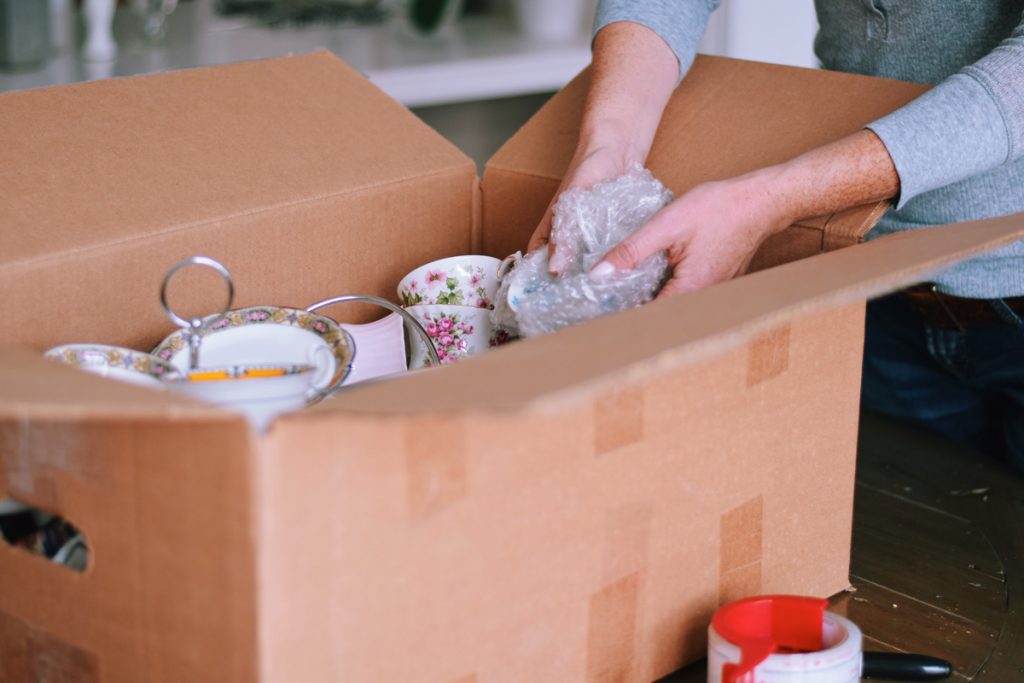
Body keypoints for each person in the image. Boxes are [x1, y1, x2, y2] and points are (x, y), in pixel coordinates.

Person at [527, 1, 1024, 471]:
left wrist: (766, 203)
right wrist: (608, 144)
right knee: (912, 534)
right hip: (867, 280)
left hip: (1012, 288)